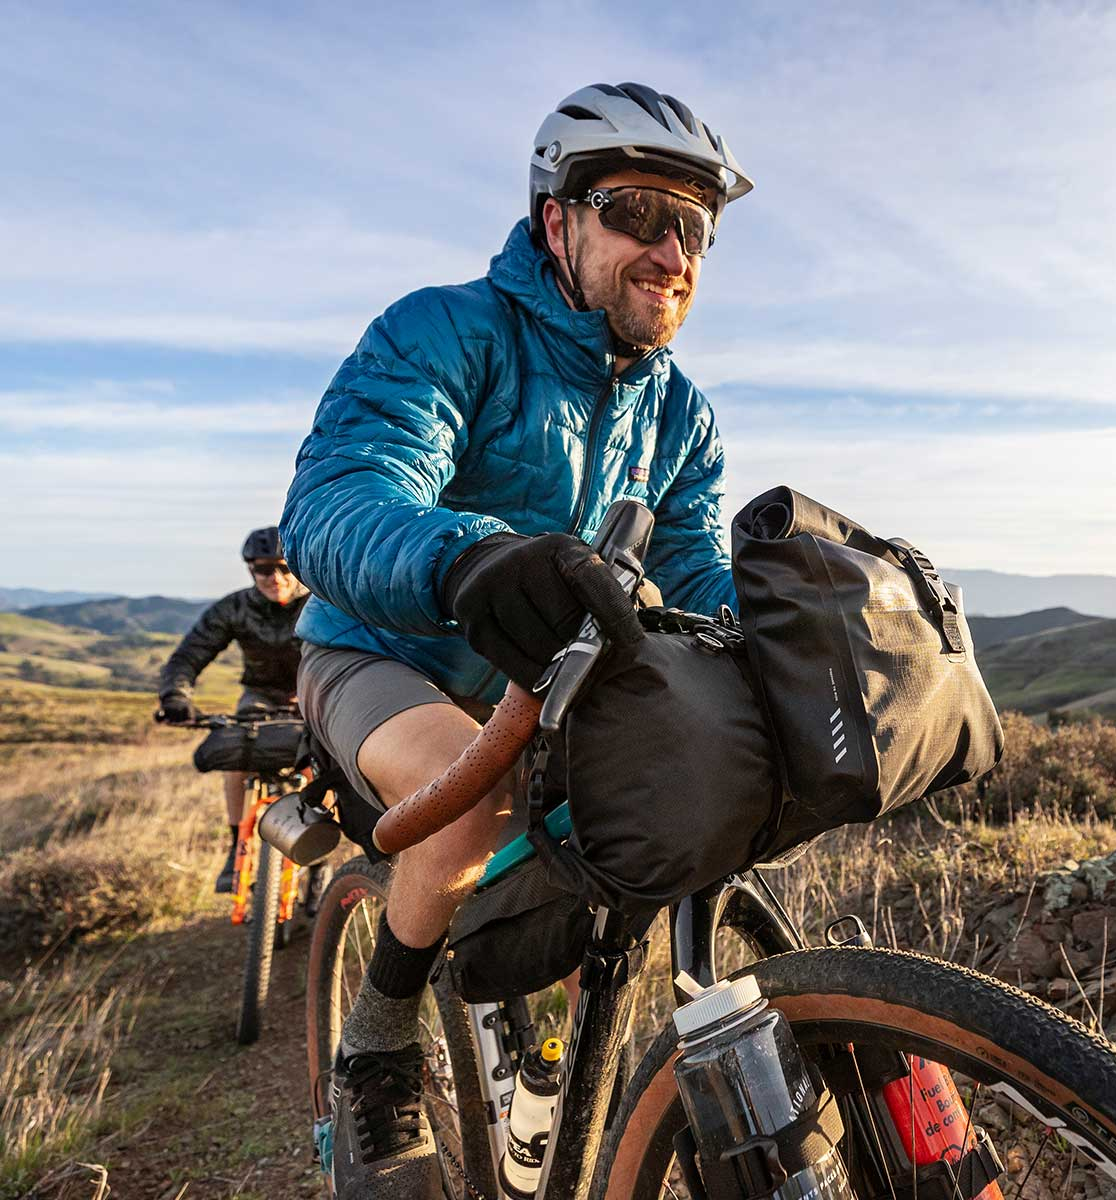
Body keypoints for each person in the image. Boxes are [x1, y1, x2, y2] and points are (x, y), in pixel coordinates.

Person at [280, 82, 752, 1197]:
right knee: (474, 794)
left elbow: (693, 565)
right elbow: (341, 495)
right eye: (639, 211)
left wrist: (774, 640)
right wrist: (468, 557)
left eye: (694, 226)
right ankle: (379, 1047)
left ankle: (532, 1045)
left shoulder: (680, 412)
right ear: (559, 219)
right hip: (380, 648)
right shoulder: (444, 331)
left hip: (545, 678)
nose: (669, 249)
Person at [156, 527, 308, 892]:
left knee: (325, 761)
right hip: (259, 695)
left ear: (297, 568)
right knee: (238, 754)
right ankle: (235, 846)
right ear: (251, 571)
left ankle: (317, 866)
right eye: (263, 570)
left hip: (313, 694)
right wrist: (175, 696)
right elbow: (190, 654)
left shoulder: (321, 601)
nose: (275, 577)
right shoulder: (235, 608)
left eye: (284, 568)